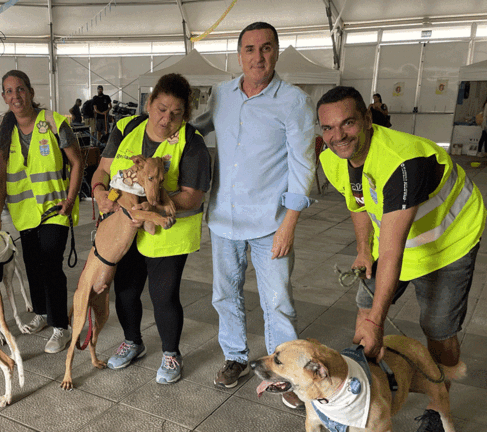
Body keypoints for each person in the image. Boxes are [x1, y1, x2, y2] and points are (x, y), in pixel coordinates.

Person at [317, 85, 485, 431]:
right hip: (396, 238)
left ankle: (439, 405)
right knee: (365, 307)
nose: (338, 136)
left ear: (368, 119)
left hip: (449, 242)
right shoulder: (332, 157)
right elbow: (358, 202)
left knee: (438, 328)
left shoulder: (403, 162)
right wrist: (364, 250)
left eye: (348, 123)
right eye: (328, 128)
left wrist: (378, 324)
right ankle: (366, 391)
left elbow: (393, 251)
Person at [193, 21, 316, 408]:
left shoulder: (294, 101)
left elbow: (303, 166)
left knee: (277, 301)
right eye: (250, 49)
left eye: (266, 48)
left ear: (276, 52)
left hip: (270, 222)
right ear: (239, 55)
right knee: (225, 295)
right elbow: (195, 130)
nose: (258, 56)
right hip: (223, 219)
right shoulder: (221, 94)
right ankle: (236, 358)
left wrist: (289, 224)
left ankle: (286, 372)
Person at [90, 73, 211, 384]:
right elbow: (103, 170)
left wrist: (153, 206)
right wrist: (100, 193)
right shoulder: (126, 128)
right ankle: (133, 342)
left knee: (163, 295)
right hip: (126, 228)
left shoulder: (192, 143)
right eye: (161, 109)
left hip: (169, 232)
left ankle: (171, 353)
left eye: (176, 113)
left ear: (186, 115)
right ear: (149, 104)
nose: (166, 119)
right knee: (125, 290)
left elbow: (192, 196)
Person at [0, 70, 84, 354]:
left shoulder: (54, 122)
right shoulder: (4, 131)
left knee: (50, 263)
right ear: (4, 97)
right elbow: (1, 176)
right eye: (9, 91)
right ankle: (42, 312)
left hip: (55, 208)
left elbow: (78, 163)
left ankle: (61, 327)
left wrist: (70, 199)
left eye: (20, 89)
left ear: (30, 92)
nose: (15, 96)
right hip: (24, 212)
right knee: (32, 265)